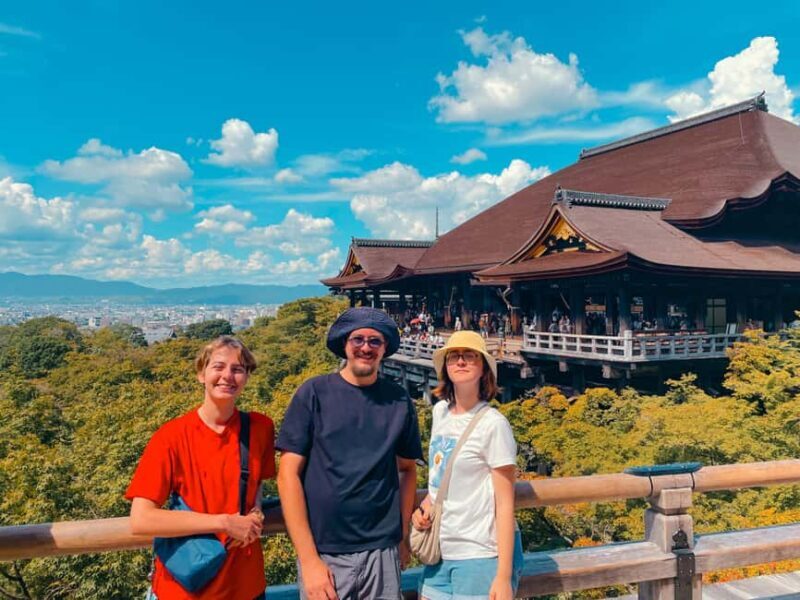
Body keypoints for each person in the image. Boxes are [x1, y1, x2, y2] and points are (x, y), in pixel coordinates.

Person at [277, 307, 423, 600]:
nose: (365, 348)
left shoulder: (398, 401)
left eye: (375, 341)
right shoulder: (314, 393)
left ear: (384, 349)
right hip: (325, 551)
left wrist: (402, 536)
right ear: (345, 344)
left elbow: (408, 469)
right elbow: (287, 475)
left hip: (382, 548)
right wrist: (308, 560)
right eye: (358, 339)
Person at [127, 336, 275, 600]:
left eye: (237, 369)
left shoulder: (260, 428)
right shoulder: (171, 437)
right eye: (218, 367)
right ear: (201, 374)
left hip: (246, 583)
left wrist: (257, 508)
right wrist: (224, 523)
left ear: (246, 377)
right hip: (185, 588)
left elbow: (258, 480)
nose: (227, 376)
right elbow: (141, 519)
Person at [412, 330, 522, 600]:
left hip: (480, 554)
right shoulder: (440, 412)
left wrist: (503, 576)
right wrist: (424, 507)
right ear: (445, 366)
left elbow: (505, 503)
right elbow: (440, 477)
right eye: (454, 356)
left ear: (483, 367)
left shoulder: (493, 424)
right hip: (439, 549)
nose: (460, 362)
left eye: (470, 356)